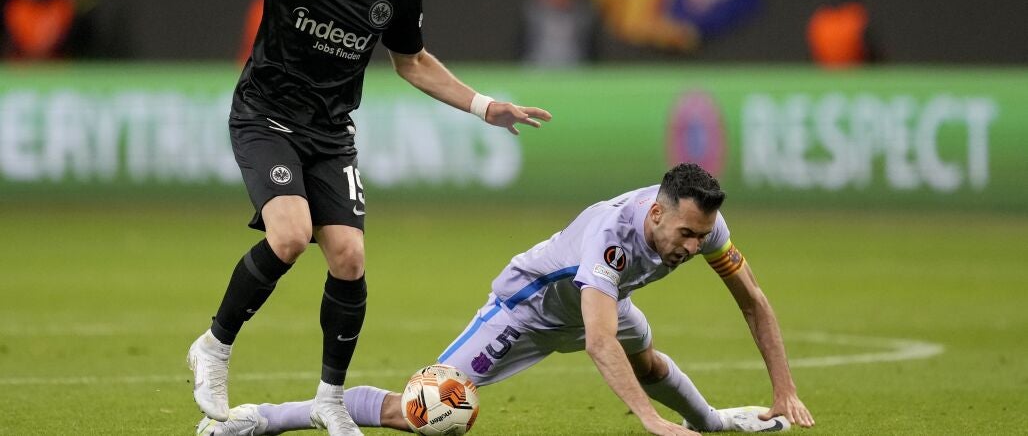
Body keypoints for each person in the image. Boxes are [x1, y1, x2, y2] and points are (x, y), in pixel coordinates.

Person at [33, 0, 551, 436]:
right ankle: (214, 346)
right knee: (290, 236)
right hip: (265, 117)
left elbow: (412, 61)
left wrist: (483, 106)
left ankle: (330, 400)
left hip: (330, 133)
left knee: (349, 257)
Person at [197, 163, 815, 436]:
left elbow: (754, 301)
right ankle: (264, 417)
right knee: (421, 407)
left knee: (649, 362)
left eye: (700, 236)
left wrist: (784, 388)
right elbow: (599, 341)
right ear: (656, 213)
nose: (692, 247)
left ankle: (712, 422)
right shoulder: (612, 237)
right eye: (685, 234)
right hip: (529, 309)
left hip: (601, 301)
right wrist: (649, 421)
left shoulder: (705, 224)